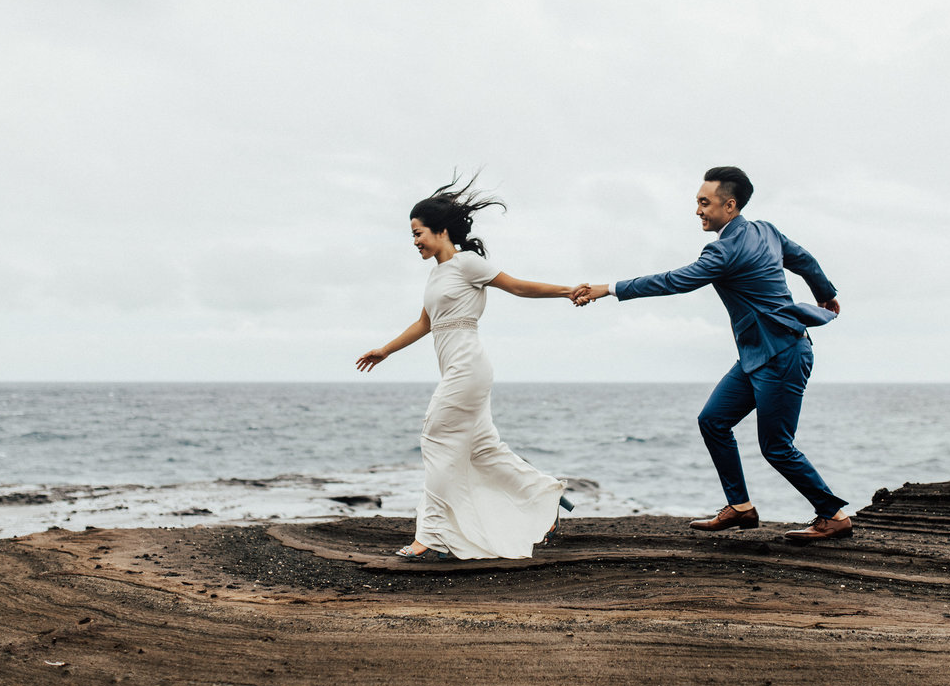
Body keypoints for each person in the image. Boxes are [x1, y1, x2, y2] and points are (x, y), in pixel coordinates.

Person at [572, 166, 852, 543]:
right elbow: (803, 259)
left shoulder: (724, 251)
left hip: (782, 353)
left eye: (705, 203)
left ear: (730, 206)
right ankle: (740, 507)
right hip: (757, 355)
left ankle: (833, 516)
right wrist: (825, 292)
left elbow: (673, 281)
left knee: (776, 446)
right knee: (713, 420)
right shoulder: (765, 230)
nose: (698, 210)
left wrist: (609, 288)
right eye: (697, 202)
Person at [356, 175, 578, 560]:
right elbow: (425, 324)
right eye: (411, 236)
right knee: (484, 450)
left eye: (418, 233)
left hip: (467, 368)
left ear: (441, 230)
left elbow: (518, 287)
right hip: (458, 370)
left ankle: (432, 536)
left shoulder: (466, 264)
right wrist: (386, 350)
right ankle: (546, 497)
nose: (414, 242)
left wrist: (567, 290)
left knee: (435, 440)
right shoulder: (436, 274)